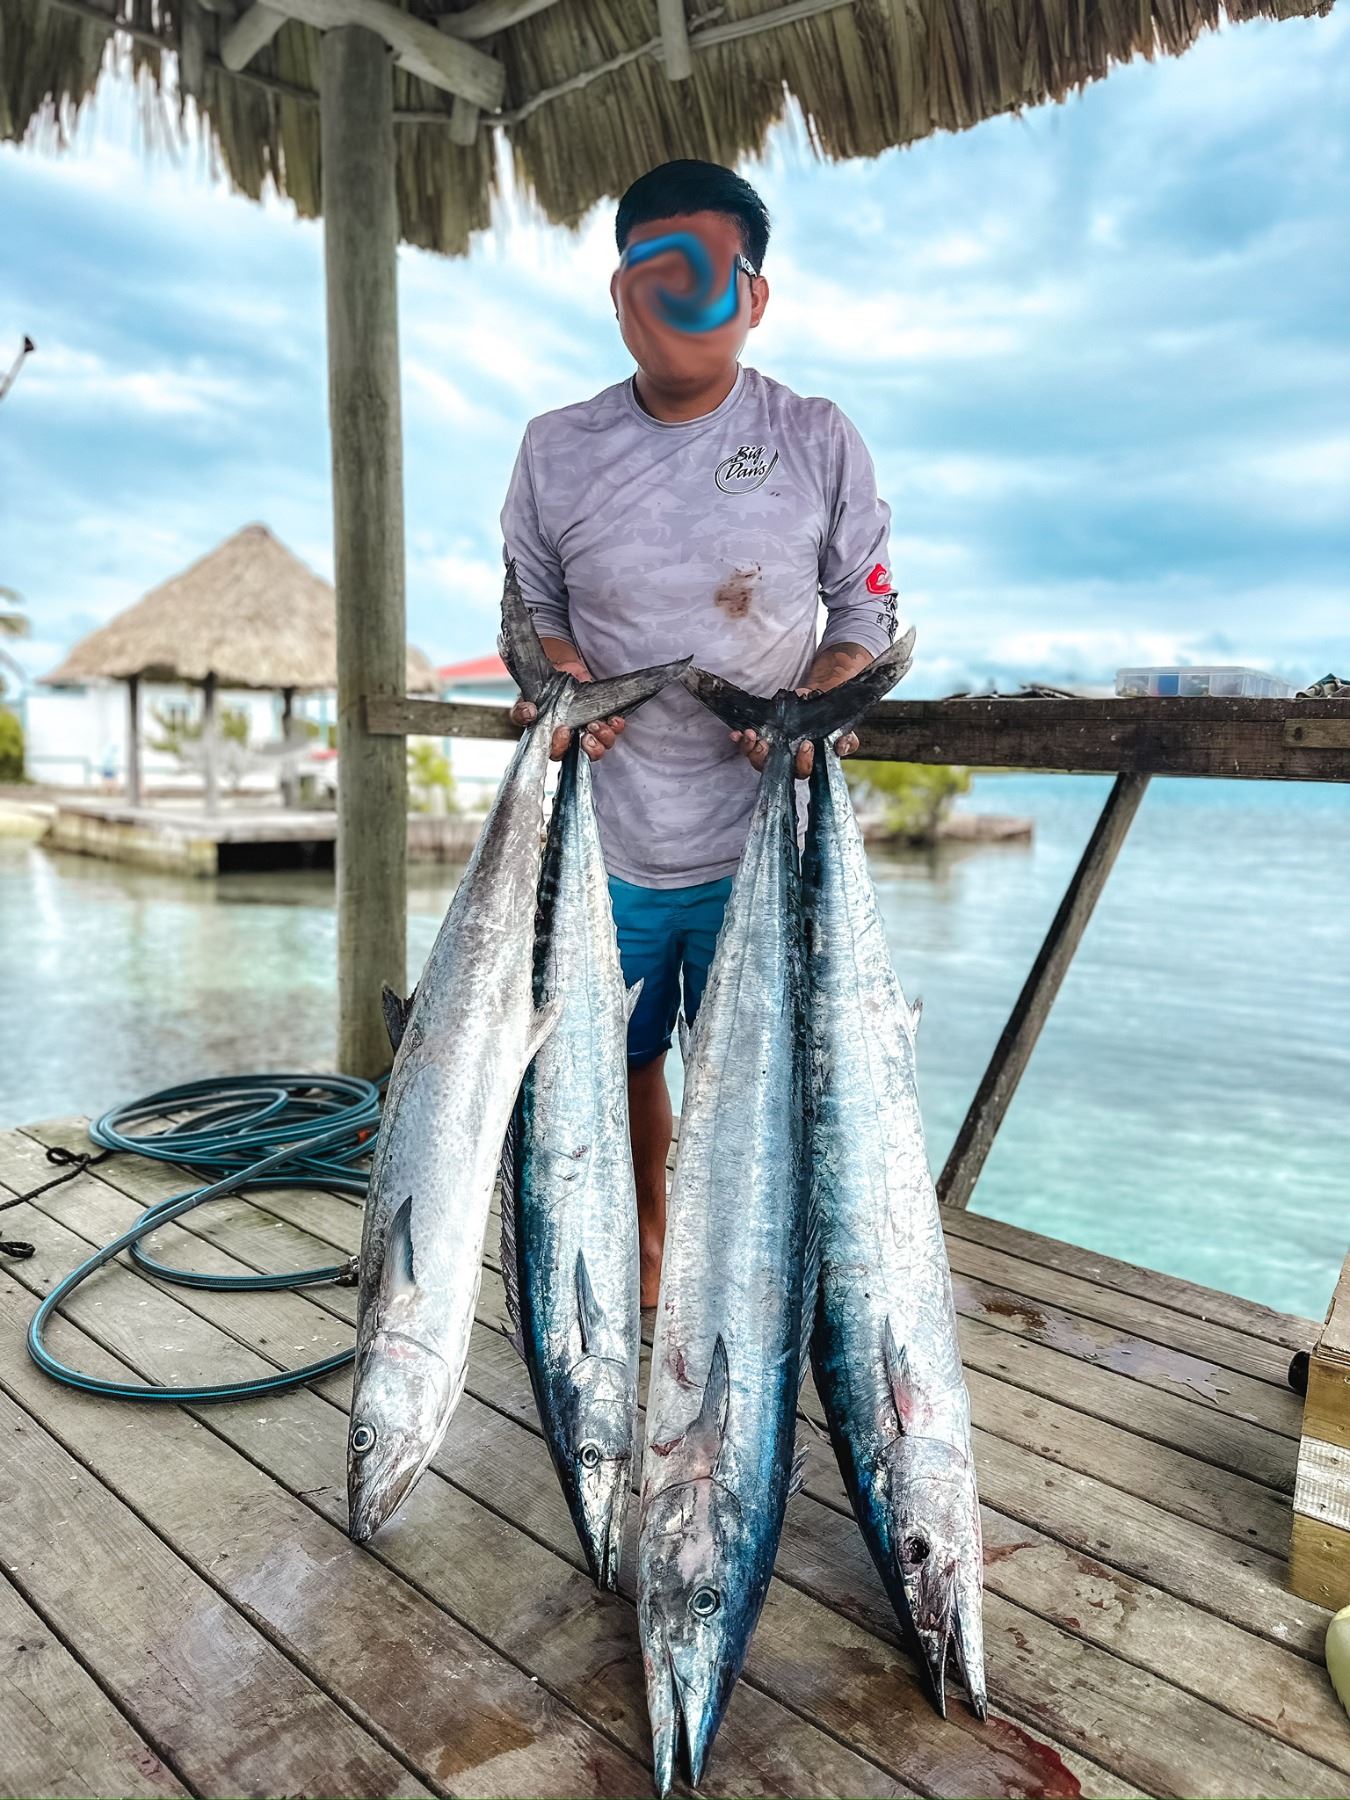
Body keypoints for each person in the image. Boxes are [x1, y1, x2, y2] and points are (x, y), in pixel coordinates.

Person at [501, 158, 898, 1305]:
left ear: (756, 296)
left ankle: (748, 1274)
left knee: (761, 1069)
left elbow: (865, 612)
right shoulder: (553, 447)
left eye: (707, 275)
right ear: (617, 291)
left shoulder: (817, 437)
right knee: (611, 1059)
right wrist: (564, 677)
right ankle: (649, 1243)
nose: (678, 298)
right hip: (603, 840)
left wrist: (810, 701)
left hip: (760, 837)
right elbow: (530, 603)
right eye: (652, 272)